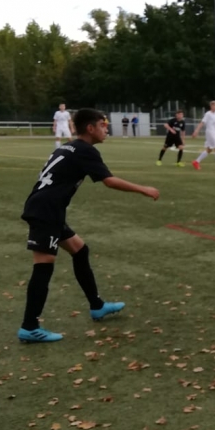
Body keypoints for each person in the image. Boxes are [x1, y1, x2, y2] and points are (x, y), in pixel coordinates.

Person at [18, 108, 159, 343]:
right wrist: (144, 189)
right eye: (103, 125)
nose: (106, 129)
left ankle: (97, 305)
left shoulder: (68, 146)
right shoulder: (86, 150)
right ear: (90, 128)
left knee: (80, 250)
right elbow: (109, 181)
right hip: (46, 211)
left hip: (48, 209)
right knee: (44, 265)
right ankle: (29, 326)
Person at [192, 101, 215, 171]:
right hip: (210, 133)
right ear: (211, 106)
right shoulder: (208, 114)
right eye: (214, 106)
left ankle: (196, 162)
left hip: (214, 132)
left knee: (209, 150)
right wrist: (196, 131)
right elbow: (202, 123)